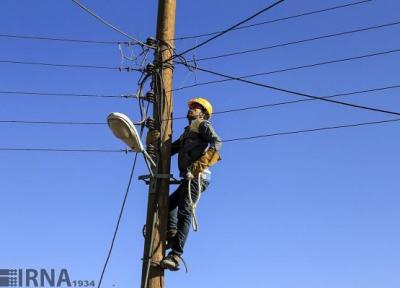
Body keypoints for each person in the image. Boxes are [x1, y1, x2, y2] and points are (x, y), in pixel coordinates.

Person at [160, 97, 222, 271]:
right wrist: (155, 144)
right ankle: (172, 234)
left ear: (203, 113)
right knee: (167, 205)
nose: (191, 109)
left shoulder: (202, 125)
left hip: (197, 177)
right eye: (192, 106)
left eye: (196, 107)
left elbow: (217, 143)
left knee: (185, 211)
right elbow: (170, 149)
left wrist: (196, 167)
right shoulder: (188, 131)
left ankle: (176, 255)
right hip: (188, 178)